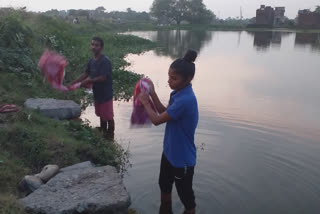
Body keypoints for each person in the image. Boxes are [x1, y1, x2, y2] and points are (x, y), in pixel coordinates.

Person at [138, 50, 199, 214]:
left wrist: (145, 103)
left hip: (182, 160)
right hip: (169, 153)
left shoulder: (186, 100)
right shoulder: (178, 93)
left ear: (188, 79)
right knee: (164, 189)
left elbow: (157, 120)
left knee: (187, 201)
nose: (169, 81)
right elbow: (164, 112)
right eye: (169, 76)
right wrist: (152, 93)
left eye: (174, 78)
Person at [70, 37, 114, 139]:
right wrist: (74, 82)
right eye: (92, 44)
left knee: (108, 117)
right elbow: (86, 73)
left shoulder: (105, 61)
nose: (94, 47)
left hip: (106, 94)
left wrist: (89, 81)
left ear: (101, 47)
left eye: (97, 45)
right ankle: (103, 133)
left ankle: (110, 135)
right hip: (97, 93)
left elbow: (103, 78)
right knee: (101, 115)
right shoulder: (91, 61)